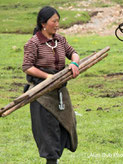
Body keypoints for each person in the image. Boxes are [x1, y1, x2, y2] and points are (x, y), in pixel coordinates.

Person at [22, 6, 80, 164]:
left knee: (66, 126)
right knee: (48, 132)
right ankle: (52, 160)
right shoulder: (33, 43)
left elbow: (73, 53)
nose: (57, 24)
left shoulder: (60, 40)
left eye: (58, 21)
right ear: (43, 23)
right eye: (53, 21)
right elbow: (27, 66)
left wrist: (74, 63)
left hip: (60, 91)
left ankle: (55, 158)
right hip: (42, 93)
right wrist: (48, 76)